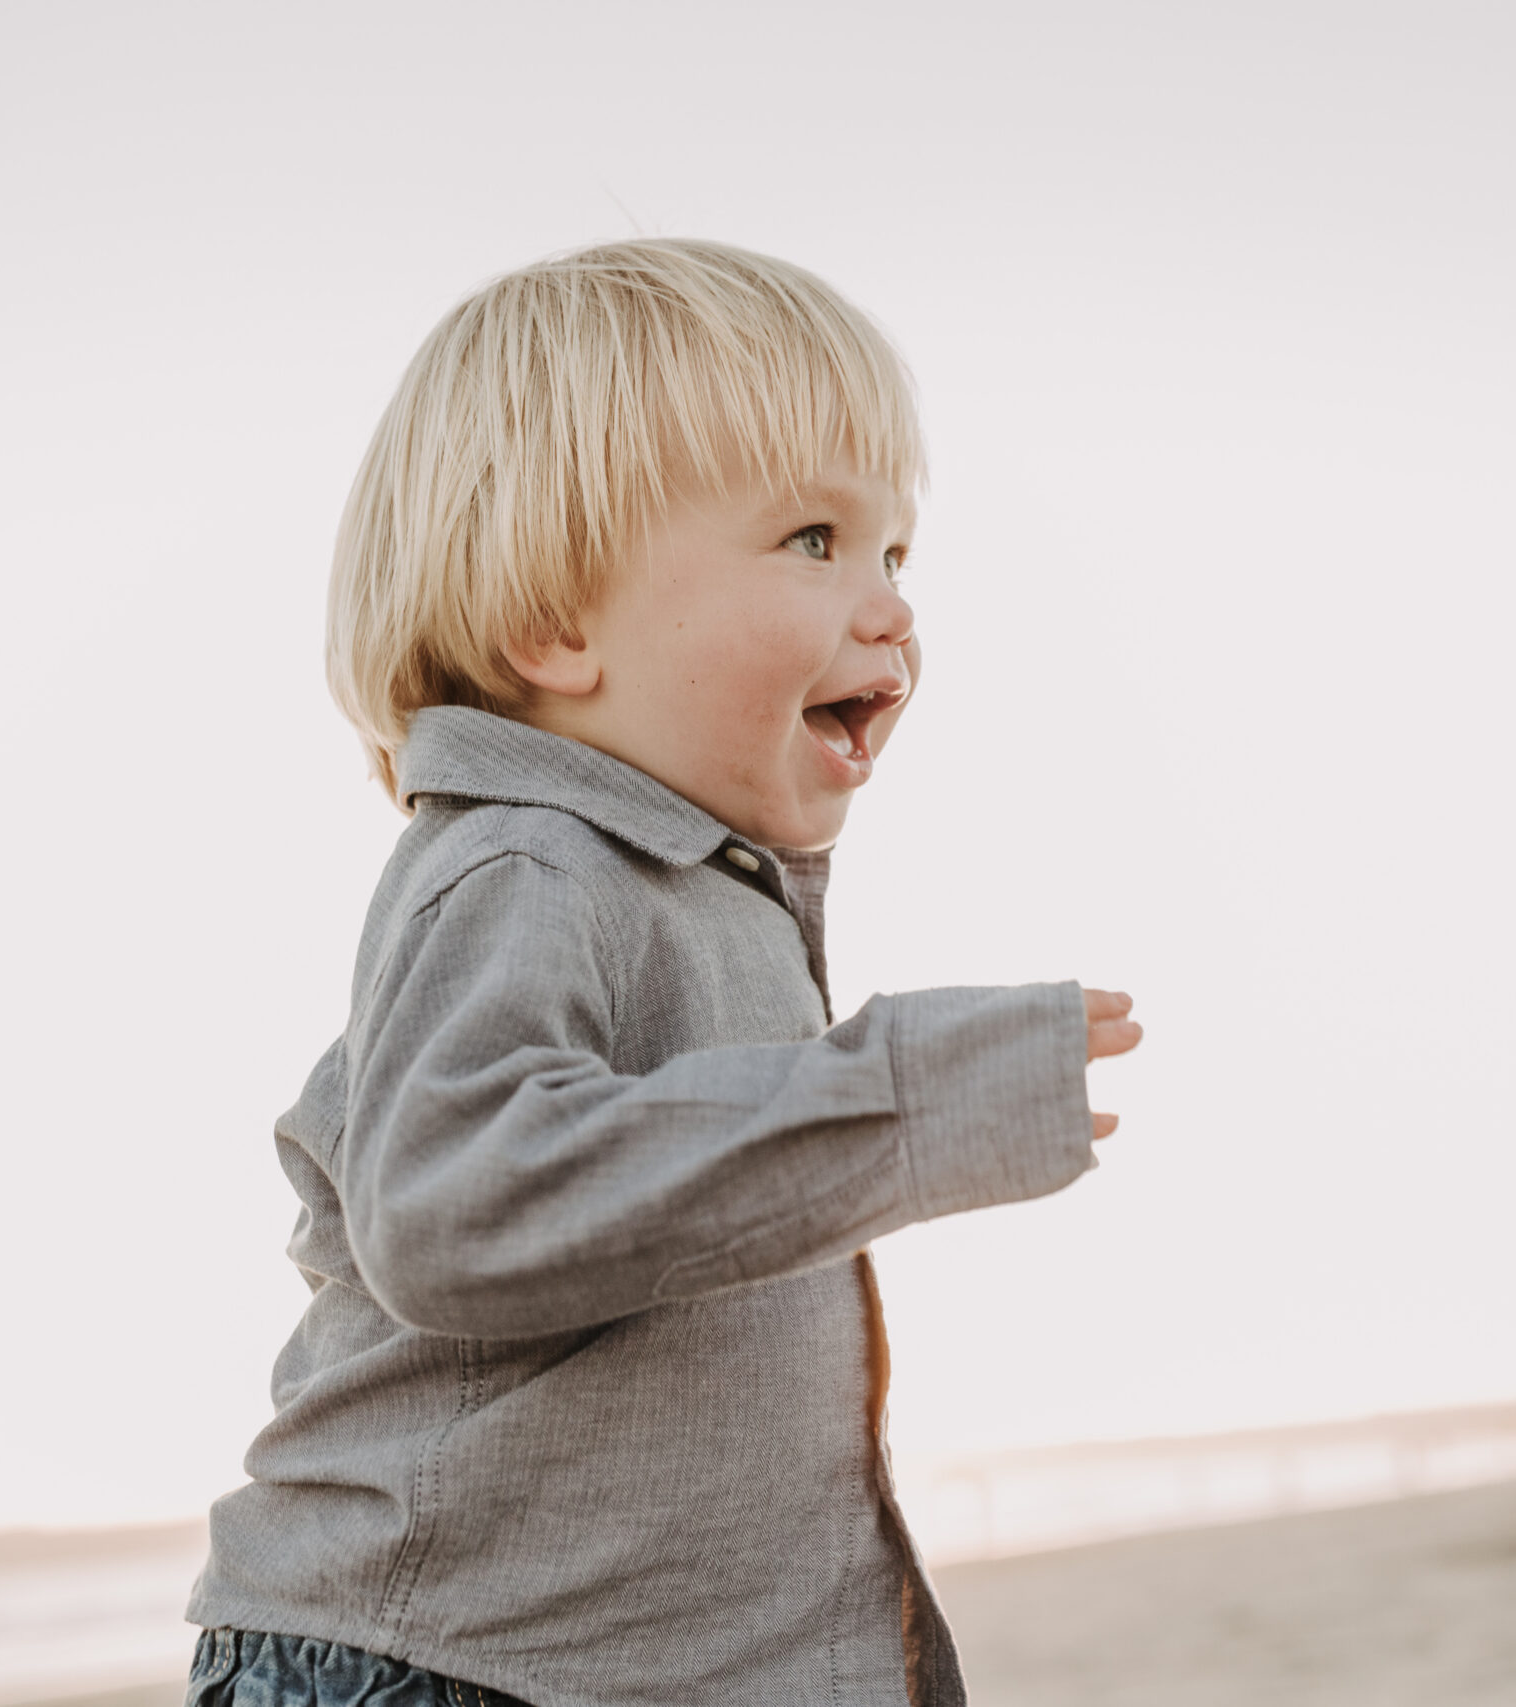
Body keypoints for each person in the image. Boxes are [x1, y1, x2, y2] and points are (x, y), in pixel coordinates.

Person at [182, 238, 1144, 1707]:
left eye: (897, 552)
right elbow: (450, 1202)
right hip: (428, 1667)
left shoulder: (701, 893)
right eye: (812, 541)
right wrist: (886, 1106)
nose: (887, 606)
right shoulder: (531, 863)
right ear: (553, 625)